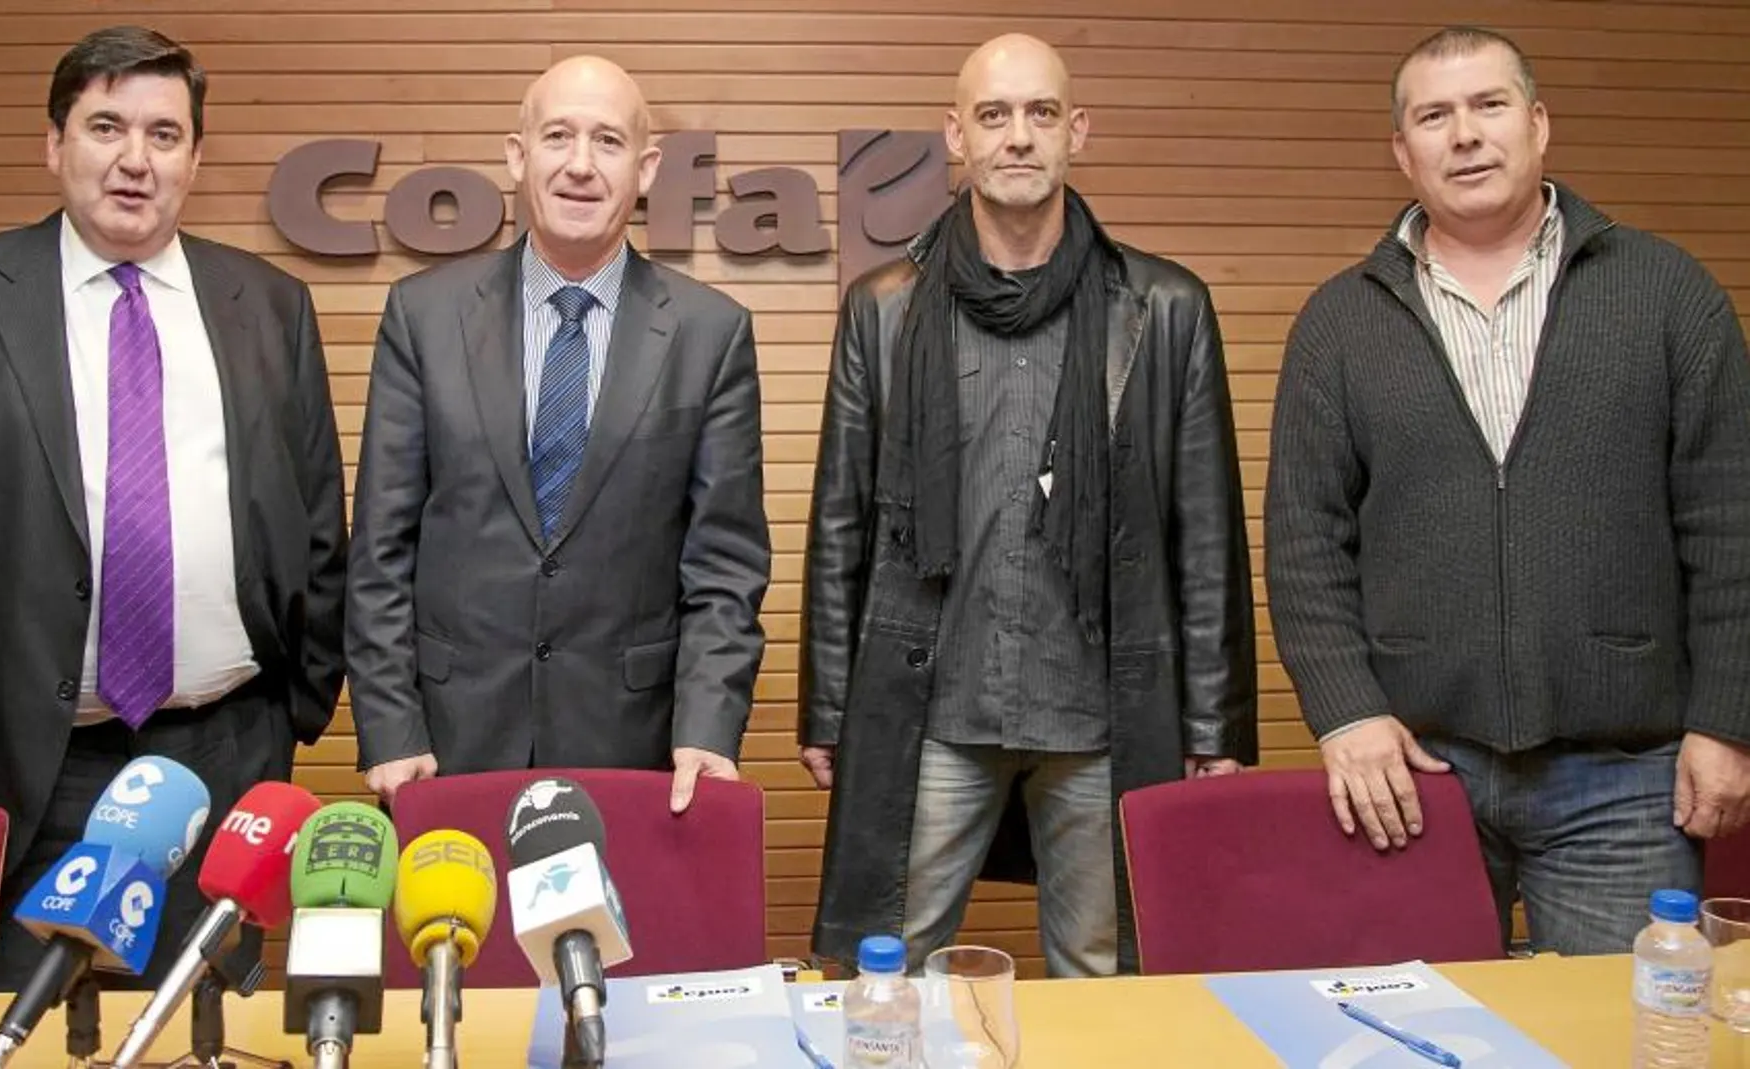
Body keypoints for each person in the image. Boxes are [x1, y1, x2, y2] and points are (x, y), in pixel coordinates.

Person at [0, 26, 348, 989]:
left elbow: (317, 523)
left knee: (201, 1031)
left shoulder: (270, 304)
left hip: (223, 753)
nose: (134, 159)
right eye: (106, 126)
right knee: (10, 1025)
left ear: (196, 158)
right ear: (55, 144)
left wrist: (296, 702)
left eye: (164, 135)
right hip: (8, 762)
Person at [1265, 25, 1750, 955]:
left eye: (1488, 106)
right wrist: (1346, 711)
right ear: (1403, 153)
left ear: (1537, 124)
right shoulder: (1338, 322)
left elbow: (1731, 527)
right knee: (1416, 1036)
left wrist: (1727, 720)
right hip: (1411, 775)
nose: (1465, 135)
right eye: (1434, 117)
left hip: (1628, 780)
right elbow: (1304, 543)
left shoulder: (1666, 293)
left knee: (1626, 1037)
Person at [800, 33, 1257, 976]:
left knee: (1106, 976)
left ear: (1075, 132)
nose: (1019, 136)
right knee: (889, 966)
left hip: (1104, 715)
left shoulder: (1165, 308)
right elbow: (838, 525)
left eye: (1041, 114)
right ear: (955, 136)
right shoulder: (883, 308)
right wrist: (832, 706)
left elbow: (1205, 534)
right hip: (934, 709)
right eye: (995, 115)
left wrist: (1213, 727)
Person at [347, 55, 771, 815]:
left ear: (645, 169)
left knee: (619, 941)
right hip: (445, 744)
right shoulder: (424, 316)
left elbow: (725, 564)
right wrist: (388, 726)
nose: (580, 166)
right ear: (518, 155)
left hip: (633, 750)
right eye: (558, 137)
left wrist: (708, 725)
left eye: (607, 142)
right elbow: (381, 547)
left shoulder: (711, 335)